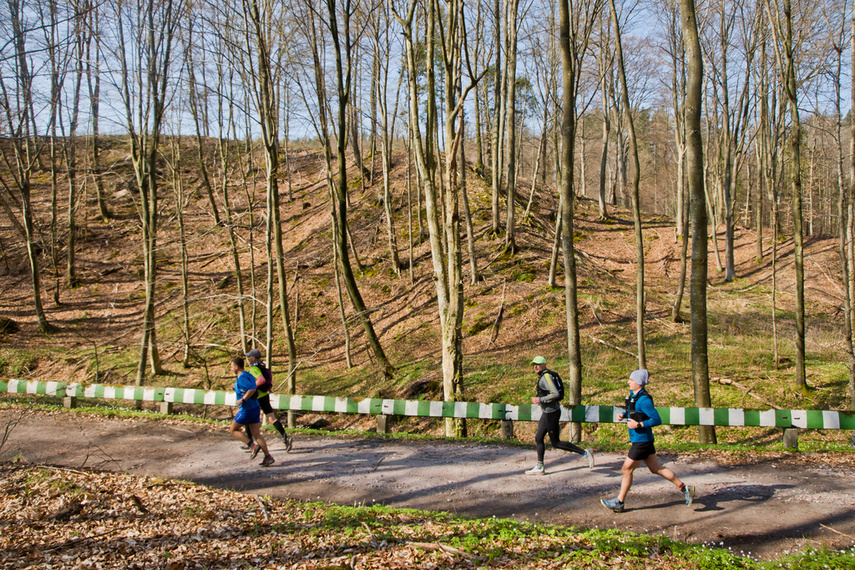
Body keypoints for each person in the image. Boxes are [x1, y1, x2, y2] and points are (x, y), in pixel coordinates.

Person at [600, 369, 695, 512]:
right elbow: (634, 410)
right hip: (643, 439)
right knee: (656, 468)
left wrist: (638, 425)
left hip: (641, 441)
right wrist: (623, 414)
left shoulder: (644, 400)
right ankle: (684, 488)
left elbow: (657, 419)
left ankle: (619, 502)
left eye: (631, 380)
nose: (628, 382)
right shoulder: (634, 396)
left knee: (626, 469)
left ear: (638, 382)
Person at [525, 356, 594, 475]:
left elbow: (555, 394)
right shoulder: (546, 375)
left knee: (556, 442)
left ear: (544, 364)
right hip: (548, 412)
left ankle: (585, 453)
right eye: (534, 364)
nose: (535, 366)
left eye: (538, 364)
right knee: (538, 437)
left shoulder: (546, 377)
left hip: (551, 413)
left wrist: (540, 399)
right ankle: (540, 466)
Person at [228, 355, 275, 467]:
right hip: (255, 408)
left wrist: (242, 399)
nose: (231, 369)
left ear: (236, 367)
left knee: (233, 429)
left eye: (231, 366)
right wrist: (237, 389)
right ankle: (268, 456)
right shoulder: (248, 374)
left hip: (247, 409)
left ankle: (252, 446)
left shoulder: (242, 377)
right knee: (256, 434)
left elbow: (252, 389)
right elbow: (251, 386)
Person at [245, 348, 293, 452]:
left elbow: (261, 380)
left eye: (249, 357)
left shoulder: (254, 369)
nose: (248, 358)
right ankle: (285, 437)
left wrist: (251, 387)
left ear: (253, 358)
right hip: (264, 395)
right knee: (271, 418)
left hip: (256, 397)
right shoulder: (262, 366)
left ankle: (250, 444)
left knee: (248, 419)